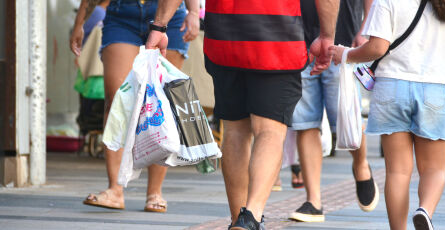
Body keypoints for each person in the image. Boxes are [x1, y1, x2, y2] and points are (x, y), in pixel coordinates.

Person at [202, 0, 339, 229]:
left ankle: (238, 218)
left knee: (235, 130)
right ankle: (251, 216)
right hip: (276, 37)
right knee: (270, 130)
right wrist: (327, 34)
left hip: (223, 37)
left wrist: (160, 25)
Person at [329, 0, 445, 229]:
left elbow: (377, 48)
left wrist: (346, 54)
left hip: (391, 88)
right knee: (434, 169)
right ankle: (424, 211)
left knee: (398, 171)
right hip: (433, 90)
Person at [70, 0, 199, 212]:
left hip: (169, 12)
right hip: (122, 13)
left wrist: (194, 11)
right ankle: (115, 189)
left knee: (162, 102)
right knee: (116, 99)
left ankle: (155, 192)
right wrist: (80, 23)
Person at [288, 0, 379, 223]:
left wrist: (365, 29)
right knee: (305, 123)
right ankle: (314, 201)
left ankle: (361, 165)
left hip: (342, 44)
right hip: (298, 43)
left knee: (347, 119)